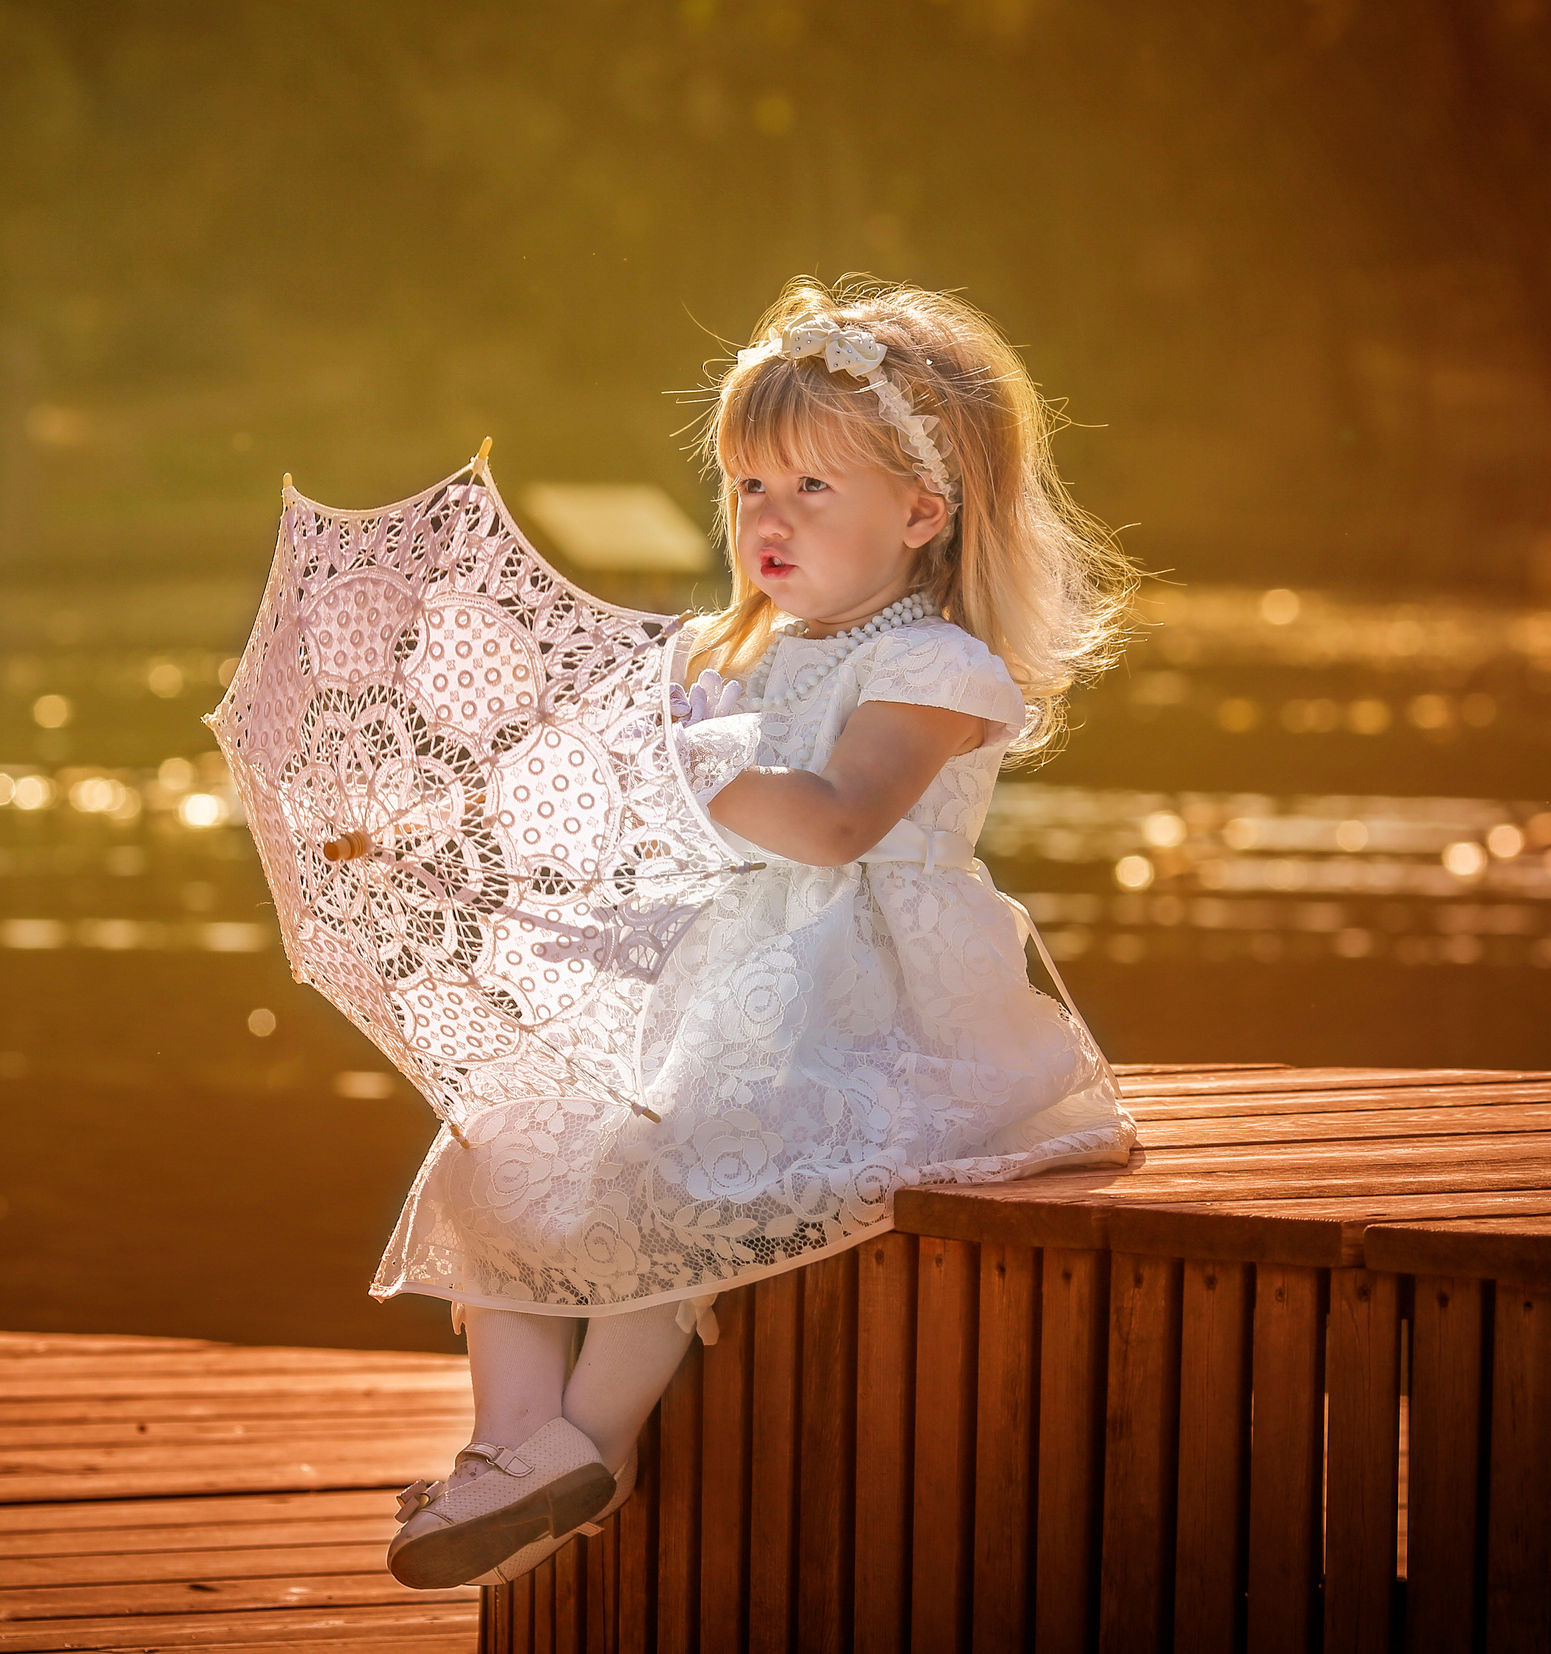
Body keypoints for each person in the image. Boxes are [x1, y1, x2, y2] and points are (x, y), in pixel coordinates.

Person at [374, 276, 1141, 1590]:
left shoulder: (936, 669)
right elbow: (644, 822)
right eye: (747, 489)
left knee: (695, 1164)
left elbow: (840, 823)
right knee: (509, 1121)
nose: (766, 520)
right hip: (711, 966)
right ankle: (516, 1448)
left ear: (921, 511)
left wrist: (685, 770)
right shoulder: (721, 659)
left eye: (809, 490)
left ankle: (589, 1444)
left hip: (859, 994)